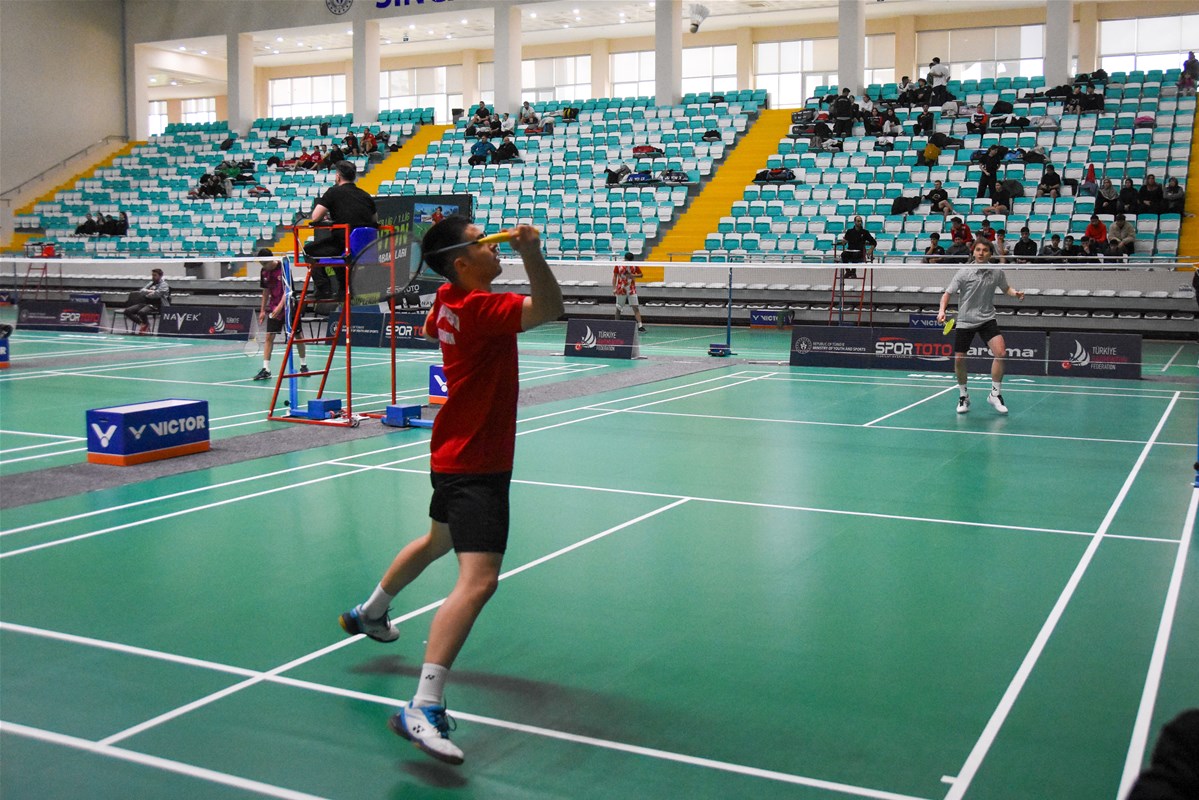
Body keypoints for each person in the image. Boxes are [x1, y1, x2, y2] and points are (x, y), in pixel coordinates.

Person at [337, 217, 563, 766]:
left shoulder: (447, 297)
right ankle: (425, 705)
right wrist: (531, 252)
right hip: (478, 460)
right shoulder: (479, 308)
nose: (493, 244)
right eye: (483, 241)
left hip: (450, 452)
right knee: (479, 580)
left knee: (438, 541)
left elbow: (428, 327)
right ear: (462, 262)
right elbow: (550, 308)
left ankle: (370, 612)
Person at [937, 238, 1025, 415]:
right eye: (978, 249)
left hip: (987, 318)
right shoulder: (964, 272)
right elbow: (947, 293)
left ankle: (995, 394)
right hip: (965, 320)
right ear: (973, 252)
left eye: (985, 250)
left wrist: (1015, 293)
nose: (981, 253)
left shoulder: (996, 272)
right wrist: (941, 310)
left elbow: (1005, 288)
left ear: (990, 254)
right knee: (959, 359)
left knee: (1001, 353)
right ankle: (963, 396)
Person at [302, 161, 379, 300]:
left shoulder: (333, 192)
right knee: (337, 254)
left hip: (345, 244)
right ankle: (343, 290)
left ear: (338, 176)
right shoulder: (365, 195)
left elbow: (315, 217)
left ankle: (323, 289)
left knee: (309, 250)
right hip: (366, 248)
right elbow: (375, 220)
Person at [254, 248, 309, 381]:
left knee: (298, 336)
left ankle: (303, 366)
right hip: (274, 307)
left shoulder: (284, 268)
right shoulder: (264, 271)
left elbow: (288, 291)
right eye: (261, 264)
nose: (263, 266)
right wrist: (262, 310)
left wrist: (280, 307)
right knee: (269, 336)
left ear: (271, 259)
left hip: (289, 306)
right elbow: (265, 291)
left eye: (264, 263)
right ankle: (266, 369)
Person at [124, 268, 170, 333]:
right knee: (127, 311)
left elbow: (157, 294)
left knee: (141, 312)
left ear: (160, 276)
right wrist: (151, 292)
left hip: (156, 305)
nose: (153, 277)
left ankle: (145, 325)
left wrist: (148, 294)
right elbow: (142, 291)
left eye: (155, 275)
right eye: (152, 275)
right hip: (145, 303)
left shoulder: (164, 285)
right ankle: (143, 324)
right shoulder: (151, 283)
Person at [613, 251, 646, 332]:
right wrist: (614, 288)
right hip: (621, 289)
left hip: (631, 289)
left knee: (635, 307)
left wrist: (632, 275)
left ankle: (640, 326)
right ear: (625, 259)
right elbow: (615, 276)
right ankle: (616, 325)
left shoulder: (634, 265)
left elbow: (641, 275)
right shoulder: (619, 265)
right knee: (618, 308)